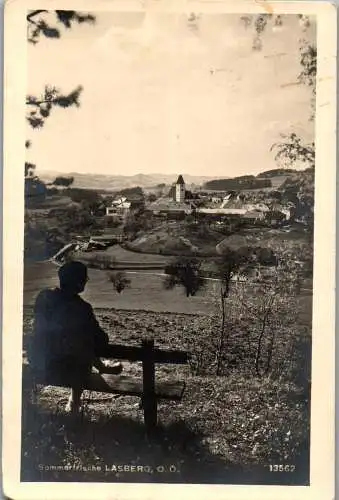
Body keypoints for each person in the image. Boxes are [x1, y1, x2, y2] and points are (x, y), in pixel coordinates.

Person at [28, 260, 122, 413]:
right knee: (81, 344)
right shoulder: (82, 308)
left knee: (75, 341)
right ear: (79, 282)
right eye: (84, 278)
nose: (86, 281)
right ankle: (74, 402)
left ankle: (100, 368)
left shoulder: (44, 297)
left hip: (39, 362)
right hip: (68, 370)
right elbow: (101, 340)